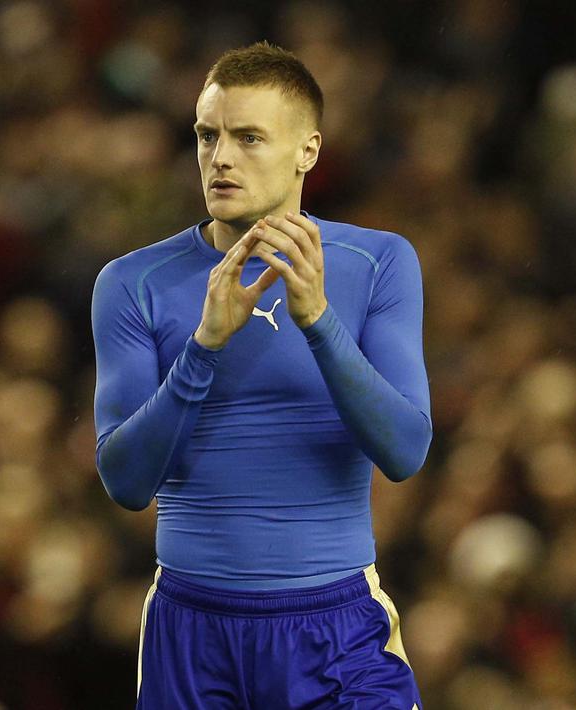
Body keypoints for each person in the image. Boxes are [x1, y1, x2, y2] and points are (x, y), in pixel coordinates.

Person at [91, 42, 431, 708]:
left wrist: (318, 322)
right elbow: (126, 482)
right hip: (191, 629)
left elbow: (405, 451)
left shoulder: (377, 263)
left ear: (306, 150)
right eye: (206, 136)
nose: (219, 158)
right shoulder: (133, 282)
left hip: (336, 627)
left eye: (248, 138)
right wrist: (204, 347)